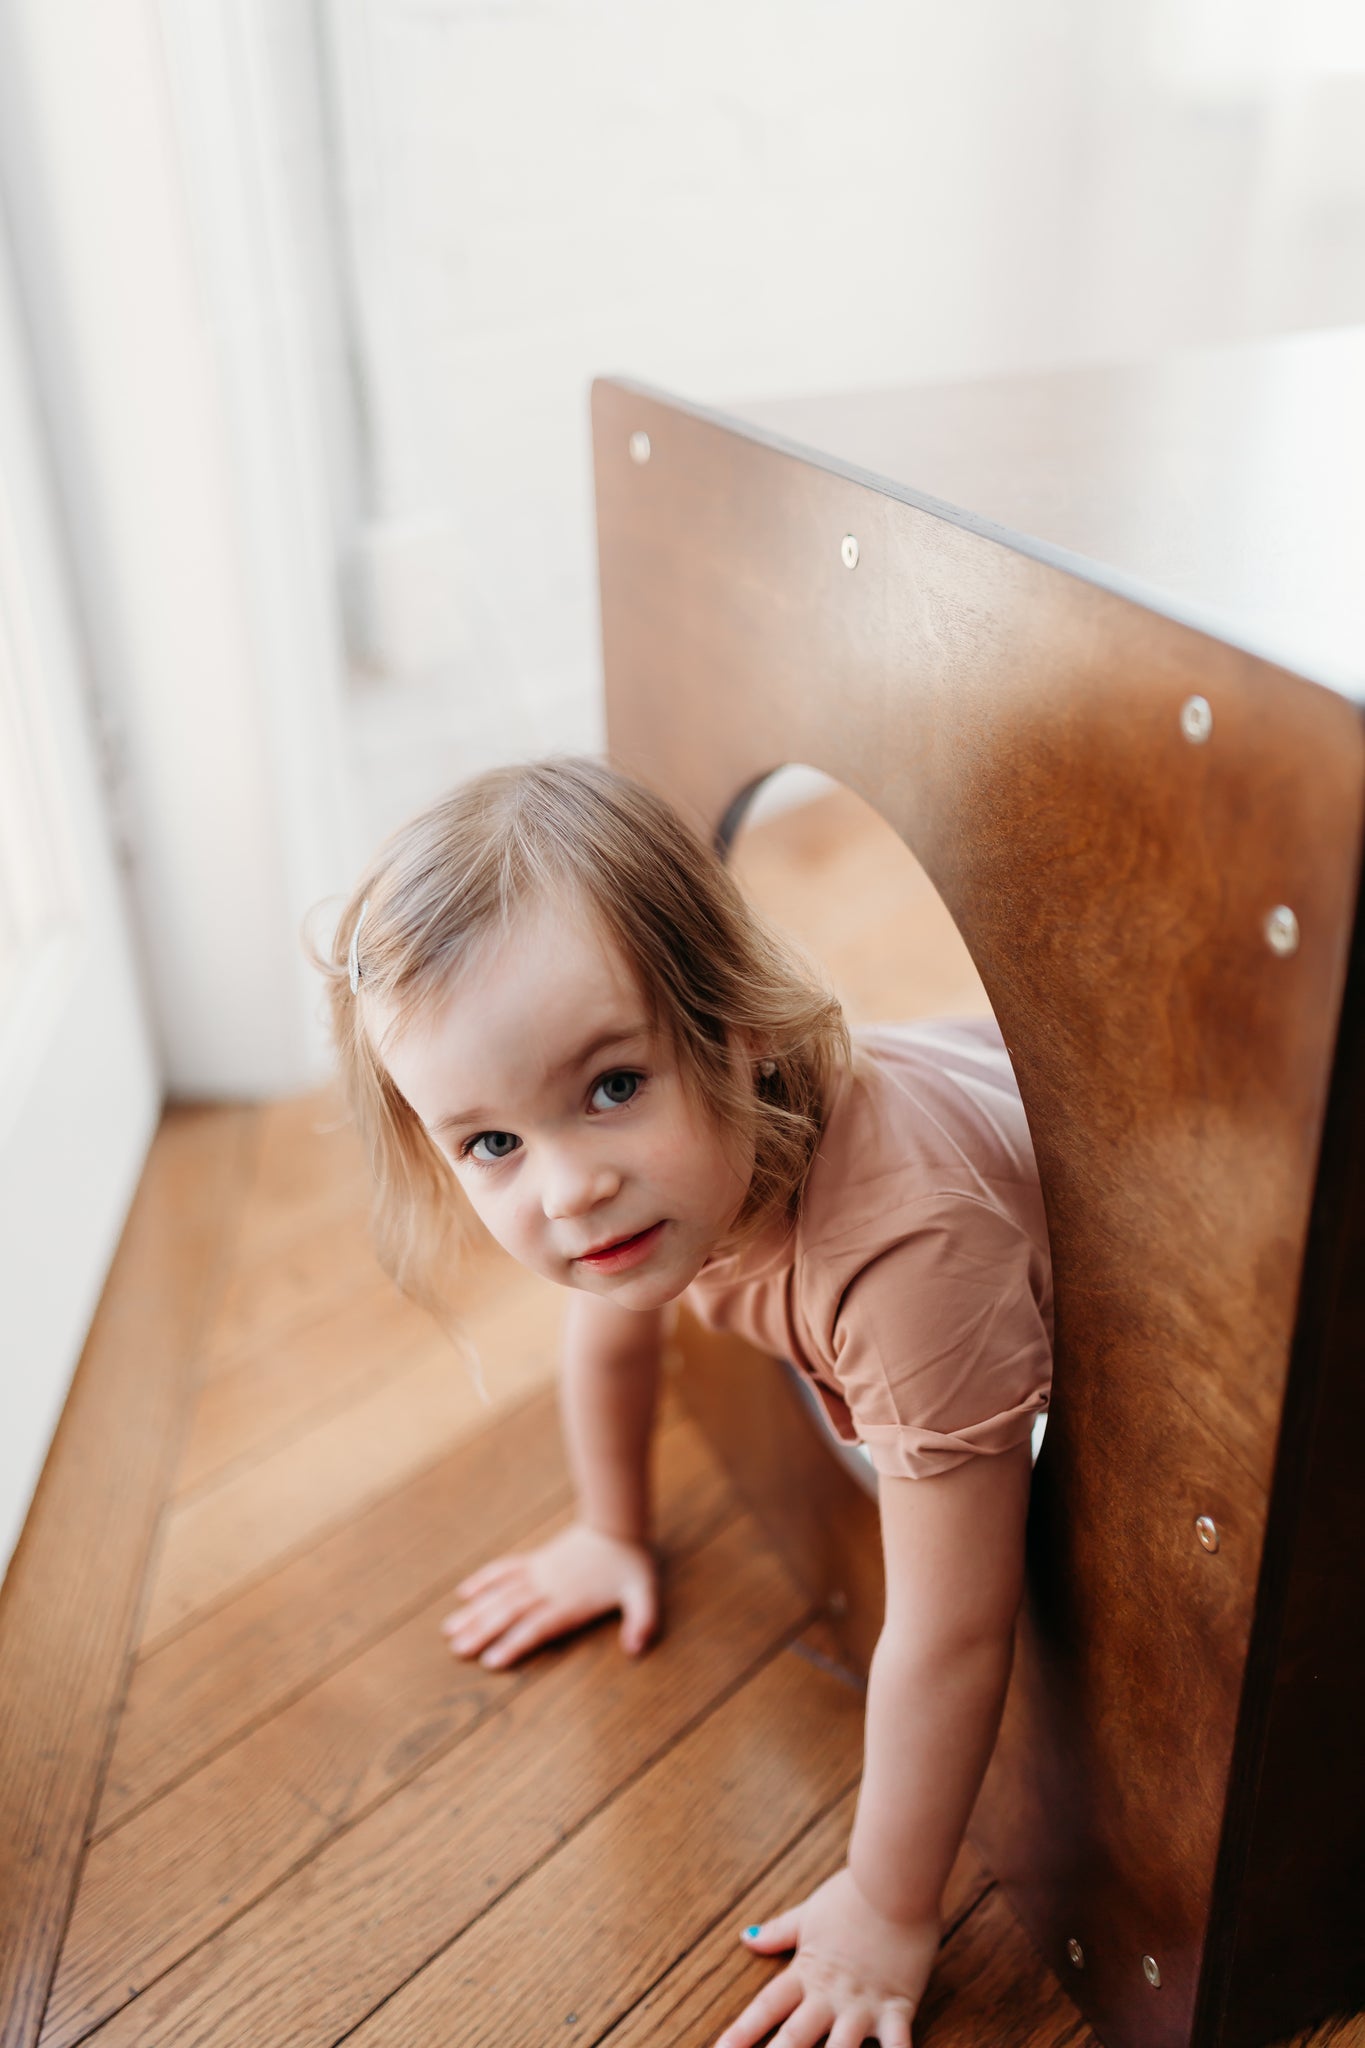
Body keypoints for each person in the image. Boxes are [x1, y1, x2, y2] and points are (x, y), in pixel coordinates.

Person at [318, 754, 1053, 2048]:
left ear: (740, 1024)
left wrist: (891, 1908)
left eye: (611, 1088)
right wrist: (609, 1528)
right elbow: (607, 1334)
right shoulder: (656, 1184)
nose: (564, 1191)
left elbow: (950, 1629)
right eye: (490, 1143)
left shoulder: (906, 1267)